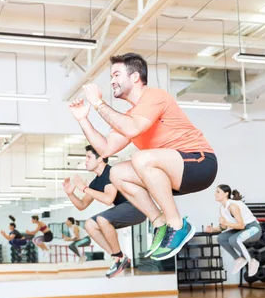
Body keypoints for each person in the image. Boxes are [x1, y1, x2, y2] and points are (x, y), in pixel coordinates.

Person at [68, 53, 217, 261]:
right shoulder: (130, 115)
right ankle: (159, 223)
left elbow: (132, 128)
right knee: (117, 173)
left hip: (199, 163)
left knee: (141, 158)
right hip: (170, 173)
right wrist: (83, 119)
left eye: (116, 74)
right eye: (111, 76)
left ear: (135, 77)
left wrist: (99, 104)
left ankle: (177, 225)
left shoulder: (154, 96)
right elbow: (105, 150)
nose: (112, 81)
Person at [63, 145, 146, 278]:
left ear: (100, 158)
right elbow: (82, 205)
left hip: (138, 207)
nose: (86, 161)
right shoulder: (95, 182)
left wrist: (83, 188)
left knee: (102, 219)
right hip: (125, 209)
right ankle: (118, 257)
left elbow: (108, 199)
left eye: (89, 157)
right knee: (90, 224)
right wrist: (70, 194)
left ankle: (118, 256)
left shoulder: (111, 173)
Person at [205, 185, 262, 277]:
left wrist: (226, 222)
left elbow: (241, 225)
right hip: (241, 230)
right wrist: (213, 229)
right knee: (221, 238)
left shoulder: (233, 206)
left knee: (233, 239)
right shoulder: (222, 208)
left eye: (218, 192)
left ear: (226, 194)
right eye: (215, 192)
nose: (215, 194)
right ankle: (239, 259)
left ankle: (252, 261)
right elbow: (223, 227)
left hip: (253, 229)